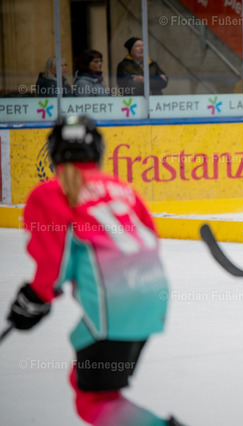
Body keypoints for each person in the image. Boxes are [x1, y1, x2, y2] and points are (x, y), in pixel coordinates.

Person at [6, 115, 184, 426]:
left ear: (54, 151)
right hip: (154, 294)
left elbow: (54, 261)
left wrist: (35, 298)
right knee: (87, 383)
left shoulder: (50, 192)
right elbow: (151, 238)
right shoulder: (121, 188)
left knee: (94, 401)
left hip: (114, 306)